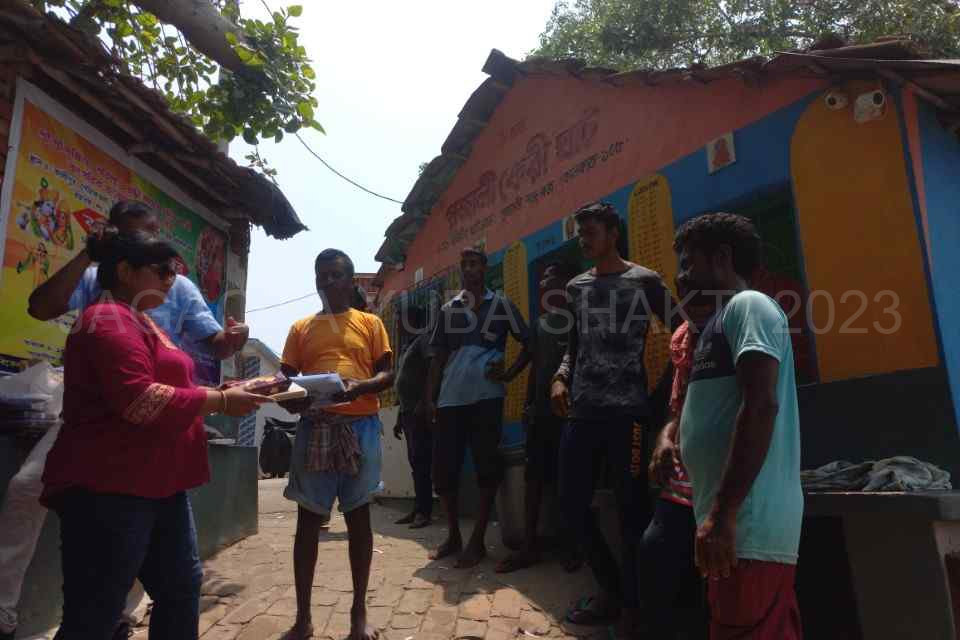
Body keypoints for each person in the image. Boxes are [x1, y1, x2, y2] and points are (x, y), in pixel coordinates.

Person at [0, 201, 249, 640]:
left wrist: (230, 377)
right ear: (125, 270)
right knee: (94, 609)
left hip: (159, 479)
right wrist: (221, 402)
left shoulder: (146, 316)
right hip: (111, 482)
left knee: (178, 588)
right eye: (160, 268)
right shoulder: (106, 317)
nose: (171, 279)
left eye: (173, 268)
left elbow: (205, 353)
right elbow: (139, 400)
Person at [673, 213, 803, 639]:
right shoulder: (718, 321)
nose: (681, 274)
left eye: (689, 262)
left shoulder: (750, 305)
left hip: (745, 528)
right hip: (733, 528)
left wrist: (722, 514)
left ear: (722, 257)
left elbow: (761, 405)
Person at [549, 201, 676, 635]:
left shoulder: (644, 281)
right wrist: (561, 377)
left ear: (613, 233)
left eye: (591, 233)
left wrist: (661, 396)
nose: (584, 241)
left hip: (630, 415)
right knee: (569, 504)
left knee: (632, 511)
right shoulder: (577, 287)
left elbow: (681, 334)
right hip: (583, 412)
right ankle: (612, 589)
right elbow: (574, 345)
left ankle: (634, 609)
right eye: (580, 234)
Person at [278, 249, 394, 640]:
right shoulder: (300, 328)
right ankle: (303, 617)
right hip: (315, 428)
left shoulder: (370, 322)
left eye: (333, 276)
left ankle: (359, 615)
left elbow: (386, 373)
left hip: (360, 428)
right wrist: (296, 399)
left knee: (359, 519)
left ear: (350, 282)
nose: (325, 282)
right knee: (308, 522)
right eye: (319, 276)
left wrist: (359, 387)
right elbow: (285, 383)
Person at [424, 246, 531, 568]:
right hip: (450, 400)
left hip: (487, 397)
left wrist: (510, 373)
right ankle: (454, 535)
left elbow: (529, 342)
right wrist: (430, 398)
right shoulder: (448, 309)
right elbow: (438, 357)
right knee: (444, 470)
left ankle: (478, 540)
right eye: (464, 264)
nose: (469, 269)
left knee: (487, 468)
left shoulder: (501, 305)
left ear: (485, 268)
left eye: (474, 264)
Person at [640, 274, 716, 638]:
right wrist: (664, 440)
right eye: (682, 291)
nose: (688, 298)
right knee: (656, 556)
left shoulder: (739, 328)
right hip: (684, 480)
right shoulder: (682, 338)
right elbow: (676, 409)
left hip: (727, 482)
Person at [496, 260, 578, 574]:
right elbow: (528, 364)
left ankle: (571, 545)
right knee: (534, 481)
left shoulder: (575, 322)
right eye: (542, 280)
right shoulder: (540, 324)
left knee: (567, 481)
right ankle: (529, 545)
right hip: (541, 416)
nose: (543, 283)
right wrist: (509, 382)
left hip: (570, 414)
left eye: (550, 278)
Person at [392, 305, 434, 528]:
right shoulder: (408, 345)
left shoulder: (423, 340)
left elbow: (431, 368)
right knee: (415, 462)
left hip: (420, 412)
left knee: (422, 462)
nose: (397, 325)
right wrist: (400, 415)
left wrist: (424, 402)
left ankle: (424, 511)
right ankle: (418, 507)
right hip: (408, 413)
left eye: (401, 320)